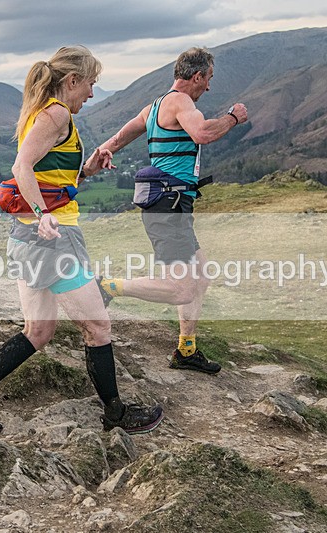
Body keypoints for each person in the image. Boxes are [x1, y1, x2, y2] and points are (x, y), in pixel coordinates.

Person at [0, 46, 164, 436]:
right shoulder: (57, 113)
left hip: (29, 238)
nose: (92, 93)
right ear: (72, 80)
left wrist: (87, 170)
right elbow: (22, 166)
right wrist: (42, 214)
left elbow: (51, 177)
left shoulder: (44, 113)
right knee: (97, 327)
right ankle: (116, 414)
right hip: (52, 239)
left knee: (39, 331)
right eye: (90, 84)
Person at [94, 47, 249, 375]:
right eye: (208, 78)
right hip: (169, 204)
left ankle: (186, 349)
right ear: (197, 76)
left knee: (201, 277)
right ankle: (106, 287)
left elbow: (117, 139)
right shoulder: (181, 102)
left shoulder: (153, 108)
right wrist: (233, 117)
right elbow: (203, 133)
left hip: (174, 204)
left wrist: (90, 164)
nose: (209, 86)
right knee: (181, 288)